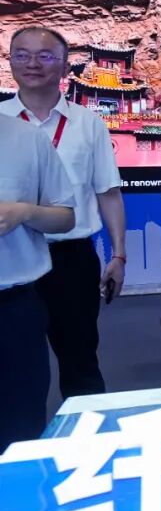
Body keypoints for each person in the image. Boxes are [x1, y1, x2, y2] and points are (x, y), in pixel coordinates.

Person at [1, 26, 126, 398]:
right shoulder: (1, 121)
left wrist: (118, 255)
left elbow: (108, 192)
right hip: (13, 260)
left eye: (45, 56)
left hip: (70, 259)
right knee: (14, 370)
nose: (32, 64)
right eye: (22, 55)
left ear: (65, 66)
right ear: (10, 61)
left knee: (80, 361)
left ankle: (89, 430)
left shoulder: (88, 123)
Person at [0, 113, 75, 451]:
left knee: (21, 431)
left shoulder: (27, 138)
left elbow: (65, 217)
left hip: (13, 309)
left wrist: (25, 213)